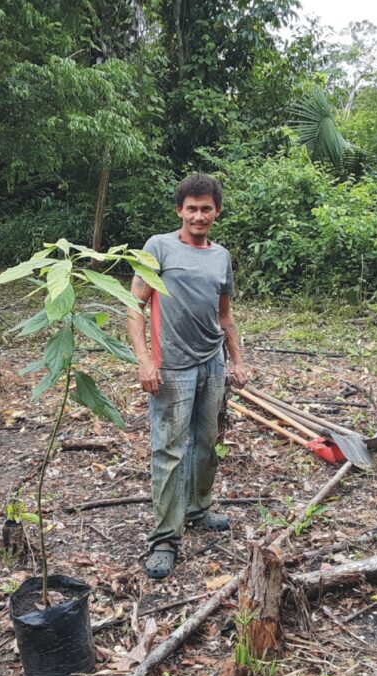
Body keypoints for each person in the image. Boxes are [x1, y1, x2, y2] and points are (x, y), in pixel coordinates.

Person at [127, 173, 247, 579]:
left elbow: (224, 314)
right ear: (179, 210)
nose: (199, 215)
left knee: (207, 442)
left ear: (217, 211)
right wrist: (145, 360)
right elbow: (134, 307)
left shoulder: (221, 257)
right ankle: (164, 537)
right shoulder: (157, 247)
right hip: (171, 367)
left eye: (206, 208)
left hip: (211, 363)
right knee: (169, 450)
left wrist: (237, 360)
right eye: (191, 208)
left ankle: (198, 508)